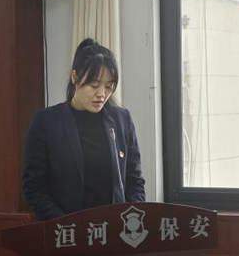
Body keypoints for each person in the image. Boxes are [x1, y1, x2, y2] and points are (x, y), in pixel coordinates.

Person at [22, 38, 146, 221]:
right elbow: (34, 188)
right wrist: (67, 225)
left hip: (115, 229)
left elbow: (135, 182)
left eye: (109, 86)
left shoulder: (122, 120)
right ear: (75, 78)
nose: (101, 94)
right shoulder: (45, 123)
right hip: (67, 230)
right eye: (94, 85)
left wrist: (131, 220)